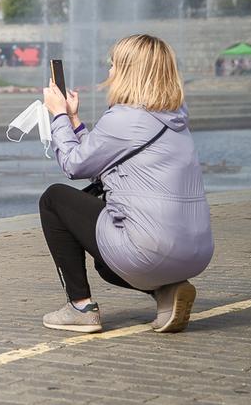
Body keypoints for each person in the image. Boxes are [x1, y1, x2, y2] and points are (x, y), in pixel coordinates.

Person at [39, 34, 213, 334]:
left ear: (130, 71)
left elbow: (73, 164)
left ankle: (80, 307)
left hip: (150, 253)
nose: (109, 72)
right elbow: (103, 164)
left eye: (113, 65)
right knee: (105, 263)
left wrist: (57, 116)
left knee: (54, 199)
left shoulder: (125, 118)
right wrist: (75, 121)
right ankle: (166, 293)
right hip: (196, 253)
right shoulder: (175, 119)